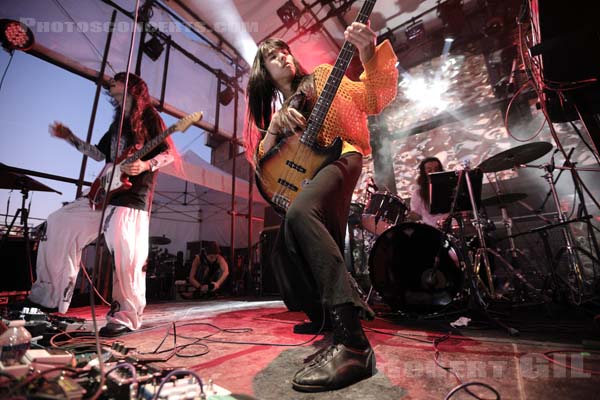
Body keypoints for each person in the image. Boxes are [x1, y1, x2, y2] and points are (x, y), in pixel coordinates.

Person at [244, 22, 397, 392]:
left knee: (299, 215)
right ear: (264, 73)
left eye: (284, 49)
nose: (284, 54)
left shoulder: (324, 77)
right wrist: (272, 129)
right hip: (305, 179)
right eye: (272, 55)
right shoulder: (279, 114)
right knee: (283, 250)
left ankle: (353, 344)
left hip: (342, 157)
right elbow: (263, 164)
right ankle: (324, 320)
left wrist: (368, 54)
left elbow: (373, 98)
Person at [28, 72, 177, 337]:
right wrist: (70, 137)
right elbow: (99, 154)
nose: (110, 85)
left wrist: (145, 164)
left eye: (116, 81)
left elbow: (168, 153)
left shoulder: (150, 118)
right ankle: (47, 297)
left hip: (131, 199)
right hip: (102, 195)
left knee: (126, 255)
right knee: (60, 222)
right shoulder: (117, 123)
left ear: (132, 88)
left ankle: (125, 316)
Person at [409, 157, 450, 228]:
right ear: (424, 173)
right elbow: (416, 214)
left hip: (452, 226)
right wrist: (407, 213)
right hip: (432, 229)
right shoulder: (418, 193)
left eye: (436, 169)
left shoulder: (450, 187)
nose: (434, 172)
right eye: (429, 170)